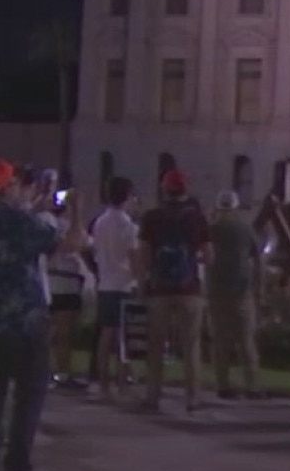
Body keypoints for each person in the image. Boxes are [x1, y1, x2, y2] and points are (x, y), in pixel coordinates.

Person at [0, 158, 82, 471]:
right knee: (29, 395)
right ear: (7, 187)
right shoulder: (18, 221)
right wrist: (75, 210)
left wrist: (34, 206)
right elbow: (70, 243)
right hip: (24, 319)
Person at [138, 169, 212, 413]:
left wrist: (144, 281)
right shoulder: (197, 218)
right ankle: (193, 397)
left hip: (159, 289)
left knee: (156, 345)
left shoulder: (152, 217)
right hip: (189, 289)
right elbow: (209, 256)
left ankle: (152, 395)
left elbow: (144, 254)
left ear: (164, 189)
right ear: (186, 189)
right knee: (191, 345)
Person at [207, 190, 264, 399]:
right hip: (242, 291)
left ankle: (222, 385)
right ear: (236, 207)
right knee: (246, 341)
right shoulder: (245, 229)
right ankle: (252, 386)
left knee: (220, 341)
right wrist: (259, 287)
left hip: (216, 291)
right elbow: (258, 259)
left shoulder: (211, 230)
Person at [91, 177, 139, 402]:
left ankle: (103, 384)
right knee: (122, 339)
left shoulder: (99, 222)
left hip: (105, 283)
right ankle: (122, 383)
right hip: (123, 284)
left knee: (106, 335)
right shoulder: (129, 226)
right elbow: (134, 256)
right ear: (127, 197)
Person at [44, 191, 92, 390]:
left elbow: (86, 244)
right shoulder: (53, 224)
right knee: (61, 332)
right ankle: (58, 373)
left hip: (68, 281)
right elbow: (74, 244)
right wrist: (76, 211)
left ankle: (60, 372)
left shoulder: (59, 223)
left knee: (64, 332)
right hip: (60, 281)